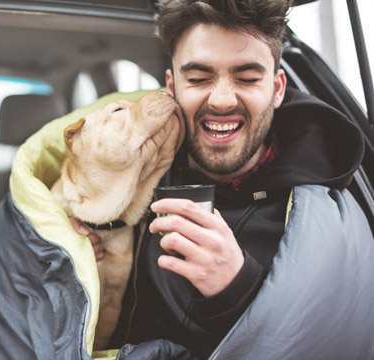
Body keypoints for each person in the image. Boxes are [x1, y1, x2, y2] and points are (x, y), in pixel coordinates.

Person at [72, 0, 374, 359]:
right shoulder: (131, 171)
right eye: (198, 78)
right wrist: (81, 257)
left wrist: (238, 289)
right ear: (172, 86)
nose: (222, 100)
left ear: (277, 88)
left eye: (247, 78)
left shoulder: (330, 214)